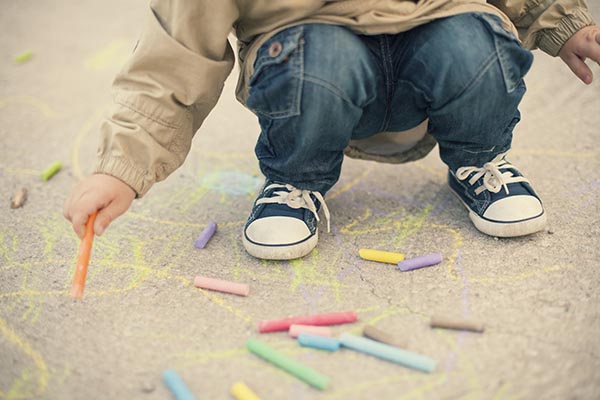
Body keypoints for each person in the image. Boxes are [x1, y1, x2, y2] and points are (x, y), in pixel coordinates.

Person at [63, 0, 600, 260]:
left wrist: (562, 22)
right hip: (316, 85)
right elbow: (172, 56)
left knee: (473, 40)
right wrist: (124, 167)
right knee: (317, 55)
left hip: (436, 61)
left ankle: (479, 160)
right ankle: (296, 182)